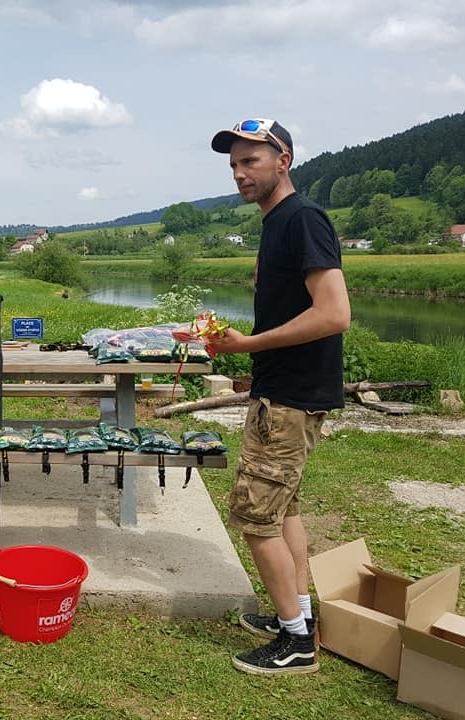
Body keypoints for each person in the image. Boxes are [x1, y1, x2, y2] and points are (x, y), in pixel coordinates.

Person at [208, 119, 351, 675]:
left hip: (291, 397)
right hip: (285, 391)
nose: (240, 174)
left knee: (255, 516)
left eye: (251, 161)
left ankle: (295, 643)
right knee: (284, 507)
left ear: (283, 160)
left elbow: (334, 313)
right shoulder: (278, 222)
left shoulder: (302, 218)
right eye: (234, 165)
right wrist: (230, 339)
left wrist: (247, 344)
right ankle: (298, 615)